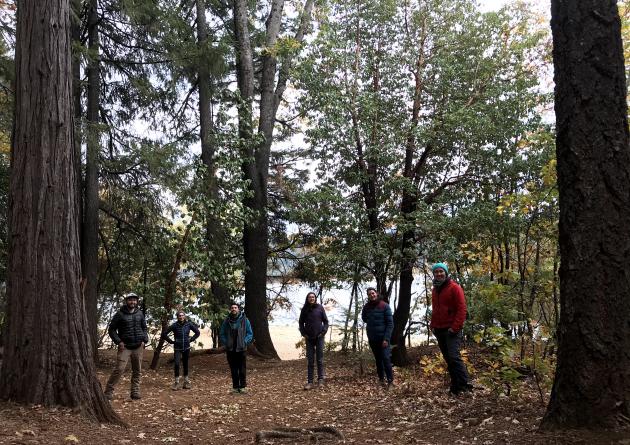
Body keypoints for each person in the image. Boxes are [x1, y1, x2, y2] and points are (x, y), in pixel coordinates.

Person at [429, 262, 473, 396]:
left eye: (441, 271)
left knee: (454, 357)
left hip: (451, 329)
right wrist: (432, 325)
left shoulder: (454, 287)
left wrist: (455, 327)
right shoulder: (435, 289)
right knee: (448, 359)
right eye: (436, 272)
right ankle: (455, 386)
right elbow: (436, 310)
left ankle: (465, 385)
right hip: (439, 329)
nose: (439, 274)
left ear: (446, 273)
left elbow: (462, 309)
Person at [104, 292, 149, 400]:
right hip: (125, 347)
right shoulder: (120, 314)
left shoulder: (140, 313)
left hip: (138, 346)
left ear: (137, 301)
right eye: (130, 300)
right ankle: (108, 392)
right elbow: (112, 329)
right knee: (119, 369)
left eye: (134, 300)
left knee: (137, 370)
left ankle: (135, 392)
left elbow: (144, 328)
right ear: (126, 301)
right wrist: (119, 341)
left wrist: (145, 340)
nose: (132, 302)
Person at [361, 287, 394, 388]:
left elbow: (390, 324)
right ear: (368, 296)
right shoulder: (366, 307)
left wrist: (386, 339)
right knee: (378, 360)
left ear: (376, 293)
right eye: (369, 294)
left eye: (373, 293)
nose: (372, 295)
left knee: (386, 359)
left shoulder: (384, 306)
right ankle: (381, 380)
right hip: (373, 338)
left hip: (383, 339)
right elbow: (364, 318)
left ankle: (390, 381)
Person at [161, 310, 201, 390]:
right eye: (179, 316)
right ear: (177, 317)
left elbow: (197, 332)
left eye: (182, 315)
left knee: (185, 364)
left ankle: (186, 382)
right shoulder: (174, 325)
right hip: (177, 348)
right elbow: (164, 334)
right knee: (176, 364)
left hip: (186, 347)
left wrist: (191, 339)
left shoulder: (189, 324)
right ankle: (176, 382)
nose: (181, 317)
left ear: (184, 316)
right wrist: (171, 341)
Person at [219, 302, 253, 394]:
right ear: (230, 309)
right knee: (233, 369)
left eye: (235, 307)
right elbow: (222, 333)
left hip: (241, 349)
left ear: (238, 309)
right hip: (231, 349)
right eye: (232, 308)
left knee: (242, 368)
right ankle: (235, 388)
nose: (234, 309)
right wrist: (227, 343)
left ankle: (242, 387)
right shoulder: (227, 320)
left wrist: (244, 342)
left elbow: (250, 333)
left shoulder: (245, 320)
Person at [298, 291, 329, 390]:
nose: (311, 298)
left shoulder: (320, 308)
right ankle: (310, 382)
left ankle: (320, 380)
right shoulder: (304, 309)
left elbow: (326, 321)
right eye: (310, 297)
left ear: (315, 298)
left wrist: (323, 332)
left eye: (313, 297)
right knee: (310, 361)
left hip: (319, 337)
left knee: (319, 360)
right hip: (309, 338)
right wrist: (304, 334)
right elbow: (300, 323)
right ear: (307, 299)